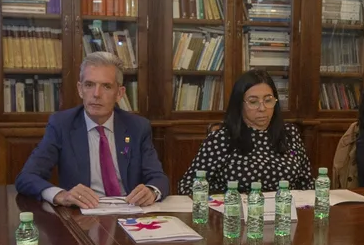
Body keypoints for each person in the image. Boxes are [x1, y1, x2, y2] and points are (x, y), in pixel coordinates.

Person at [16, 52, 168, 208]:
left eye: (106, 86)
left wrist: (151, 191)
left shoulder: (137, 127)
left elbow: (158, 178)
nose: (96, 94)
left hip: (130, 213)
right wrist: (61, 195)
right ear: (80, 89)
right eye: (89, 85)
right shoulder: (62, 125)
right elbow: (26, 177)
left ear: (119, 94)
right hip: (83, 213)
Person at [177, 70, 313, 195]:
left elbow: (307, 183)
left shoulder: (289, 134)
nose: (262, 108)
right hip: (236, 214)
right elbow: (188, 186)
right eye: (253, 102)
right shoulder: (221, 139)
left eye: (268, 100)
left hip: (285, 213)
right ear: (239, 104)